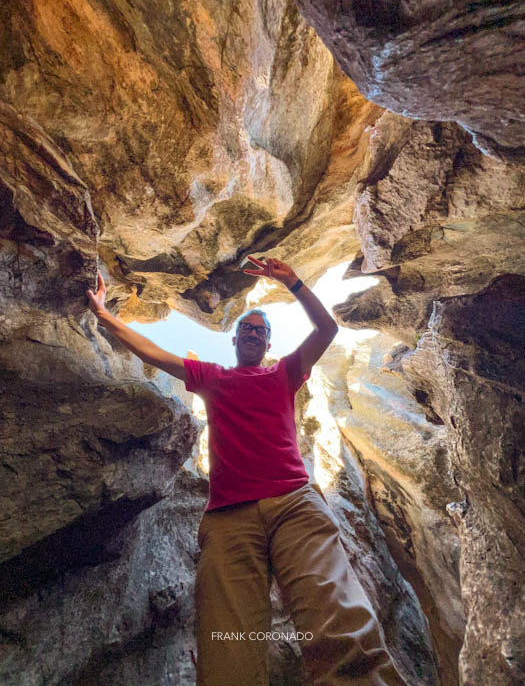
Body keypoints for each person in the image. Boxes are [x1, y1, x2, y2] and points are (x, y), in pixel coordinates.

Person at [86, 256, 404, 686]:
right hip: (228, 521)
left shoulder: (285, 373)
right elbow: (154, 352)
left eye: (262, 329)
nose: (254, 332)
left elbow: (326, 330)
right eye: (248, 329)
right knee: (226, 650)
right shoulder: (212, 377)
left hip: (295, 506)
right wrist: (105, 317)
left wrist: (293, 282)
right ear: (235, 339)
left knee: (339, 622)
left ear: (268, 342)